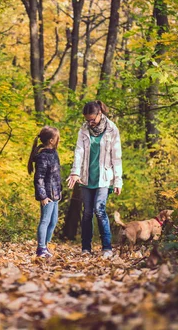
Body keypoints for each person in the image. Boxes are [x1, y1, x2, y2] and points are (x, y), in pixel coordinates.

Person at [66, 100, 123, 258]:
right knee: (87, 213)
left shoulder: (112, 129)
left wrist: (118, 181)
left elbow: (116, 157)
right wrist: (75, 172)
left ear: (100, 114)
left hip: (104, 178)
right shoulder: (83, 130)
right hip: (86, 177)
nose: (90, 123)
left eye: (92, 119)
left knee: (99, 210)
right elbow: (78, 151)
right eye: (87, 120)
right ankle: (86, 248)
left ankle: (107, 248)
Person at [28, 126, 62, 258]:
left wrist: (59, 191)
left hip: (55, 194)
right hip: (47, 195)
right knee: (45, 221)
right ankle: (41, 248)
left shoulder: (54, 153)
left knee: (53, 222)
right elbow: (39, 178)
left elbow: (56, 175)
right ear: (52, 140)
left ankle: (46, 246)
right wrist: (42, 196)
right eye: (58, 138)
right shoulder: (43, 157)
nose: (59, 140)